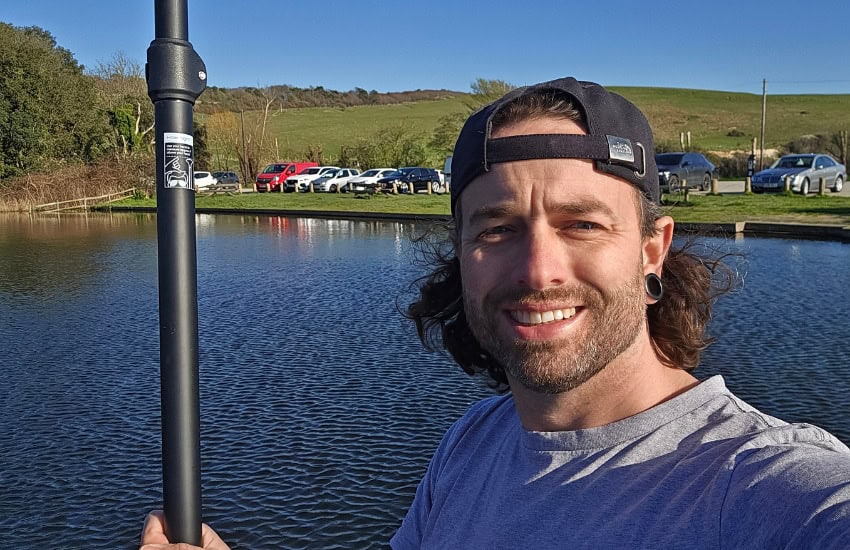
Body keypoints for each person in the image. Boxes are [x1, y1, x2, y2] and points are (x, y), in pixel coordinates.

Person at [140, 77, 850, 549]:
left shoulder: (761, 487)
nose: (538, 269)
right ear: (461, 253)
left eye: (583, 224)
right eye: (497, 229)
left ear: (652, 249)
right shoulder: (473, 446)